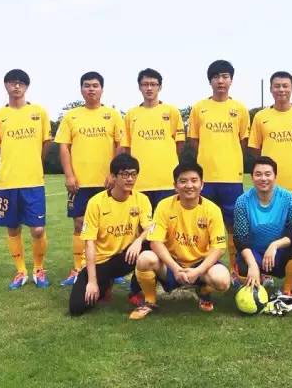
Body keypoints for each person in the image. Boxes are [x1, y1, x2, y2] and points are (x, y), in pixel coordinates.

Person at [129, 159, 231, 320]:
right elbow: (155, 242)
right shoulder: (164, 206)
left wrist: (198, 271)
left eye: (194, 180)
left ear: (202, 184)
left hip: (200, 265)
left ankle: (203, 291)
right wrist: (175, 269)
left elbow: (218, 248)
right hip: (172, 264)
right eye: (183, 181)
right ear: (175, 186)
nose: (189, 185)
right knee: (145, 258)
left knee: (223, 280)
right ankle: (149, 301)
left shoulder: (213, 210)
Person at [55, 72, 124, 287]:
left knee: (109, 225)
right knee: (79, 224)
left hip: (107, 183)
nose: (91, 89)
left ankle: (112, 268)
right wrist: (69, 175)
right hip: (80, 183)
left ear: (102, 89)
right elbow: (63, 147)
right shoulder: (71, 116)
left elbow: (120, 145)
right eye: (87, 85)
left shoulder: (113, 115)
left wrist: (113, 174)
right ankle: (78, 267)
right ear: (81, 89)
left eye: (95, 85)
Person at [0, 69, 52, 289]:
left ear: (26, 86)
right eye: (12, 83)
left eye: (21, 83)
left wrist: (34, 161)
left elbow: (46, 142)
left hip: (33, 181)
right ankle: (21, 271)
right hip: (6, 182)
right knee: (12, 228)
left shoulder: (39, 112)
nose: (16, 86)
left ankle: (39, 269)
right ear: (6, 85)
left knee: (38, 229)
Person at [69, 154, 153, 316]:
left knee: (152, 244)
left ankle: (136, 291)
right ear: (113, 177)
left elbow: (151, 228)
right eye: (125, 174)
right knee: (76, 307)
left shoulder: (141, 199)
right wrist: (92, 282)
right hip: (100, 263)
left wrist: (138, 241)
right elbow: (89, 243)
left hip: (125, 257)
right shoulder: (96, 203)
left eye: (133, 174)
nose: (130, 179)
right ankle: (105, 284)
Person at [187, 60, 249, 277]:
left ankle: (235, 269)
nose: (220, 81)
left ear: (231, 80)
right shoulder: (199, 108)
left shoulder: (239, 109)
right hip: (205, 179)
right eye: (216, 77)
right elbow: (194, 141)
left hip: (232, 178)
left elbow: (243, 141)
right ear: (210, 81)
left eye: (225, 76)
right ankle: (201, 271)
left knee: (233, 226)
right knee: (202, 224)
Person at [233, 156, 292, 295]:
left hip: (279, 254)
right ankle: (255, 290)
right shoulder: (242, 201)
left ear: (275, 176)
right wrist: (252, 264)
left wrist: (274, 245)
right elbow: (240, 238)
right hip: (255, 254)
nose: (263, 178)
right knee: (244, 265)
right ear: (252, 177)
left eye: (268, 174)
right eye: (258, 174)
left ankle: (286, 291)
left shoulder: (289, 198)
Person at [248, 71, 292, 203]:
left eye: (285, 86)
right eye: (277, 86)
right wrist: (266, 164)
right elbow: (254, 148)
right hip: (269, 185)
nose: (281, 90)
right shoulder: (260, 116)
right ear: (271, 89)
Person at [122, 68, 185, 211]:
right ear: (139, 87)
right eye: (145, 84)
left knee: (168, 221)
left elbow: (180, 144)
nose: (149, 88)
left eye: (153, 84)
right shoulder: (131, 114)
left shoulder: (172, 112)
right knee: (140, 222)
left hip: (167, 181)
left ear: (160, 87)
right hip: (139, 182)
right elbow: (127, 148)